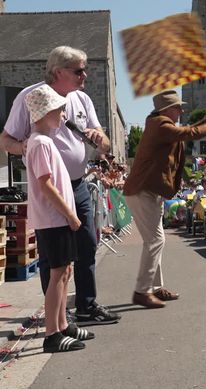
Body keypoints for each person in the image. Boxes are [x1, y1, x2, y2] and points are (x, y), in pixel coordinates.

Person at [0, 46, 120, 324]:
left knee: (87, 245)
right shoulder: (31, 97)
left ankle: (86, 305)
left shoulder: (82, 99)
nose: (85, 76)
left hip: (77, 184)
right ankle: (57, 316)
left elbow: (105, 141)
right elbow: (5, 140)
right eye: (79, 71)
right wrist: (24, 146)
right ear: (58, 72)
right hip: (50, 188)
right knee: (53, 255)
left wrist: (98, 138)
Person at [123, 90, 206, 308]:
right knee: (155, 241)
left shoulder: (160, 124)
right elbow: (188, 133)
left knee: (155, 240)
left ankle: (154, 287)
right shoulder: (161, 125)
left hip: (150, 192)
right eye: (177, 107)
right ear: (165, 110)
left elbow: (187, 130)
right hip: (144, 191)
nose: (181, 110)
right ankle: (142, 291)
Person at [25, 84, 95, 352]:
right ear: (44, 113)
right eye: (59, 110)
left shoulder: (43, 141)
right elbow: (46, 184)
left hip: (56, 219)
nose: (63, 115)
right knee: (58, 274)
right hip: (54, 219)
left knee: (64, 271)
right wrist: (70, 213)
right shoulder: (41, 142)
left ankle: (63, 324)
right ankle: (52, 332)